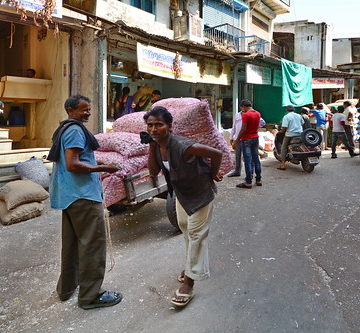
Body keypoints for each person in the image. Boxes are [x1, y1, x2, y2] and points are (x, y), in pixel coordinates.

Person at [48, 94, 123, 310]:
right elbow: (73, 164)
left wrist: (95, 162)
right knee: (92, 245)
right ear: (71, 110)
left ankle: (66, 289)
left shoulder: (66, 128)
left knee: (71, 245)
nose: (88, 112)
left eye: (89, 109)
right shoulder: (74, 130)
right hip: (82, 196)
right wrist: (102, 168)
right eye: (83, 109)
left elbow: (77, 159)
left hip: (69, 195)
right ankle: (90, 296)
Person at [144, 106, 223, 307]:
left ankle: (190, 282)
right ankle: (190, 266)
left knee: (197, 235)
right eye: (150, 125)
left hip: (200, 193)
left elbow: (216, 153)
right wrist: (151, 146)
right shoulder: (157, 146)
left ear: (169, 126)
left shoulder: (184, 146)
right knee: (186, 230)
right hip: (181, 194)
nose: (154, 129)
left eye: (159, 125)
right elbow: (153, 171)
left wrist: (212, 174)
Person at [232, 99, 262, 188]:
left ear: (244, 106)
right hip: (255, 138)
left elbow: (243, 129)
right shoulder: (258, 113)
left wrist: (236, 140)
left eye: (242, 108)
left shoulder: (245, 115)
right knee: (256, 159)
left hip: (247, 139)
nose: (242, 110)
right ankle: (258, 179)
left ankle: (248, 181)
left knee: (248, 160)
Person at [228, 110, 265, 178]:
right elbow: (234, 127)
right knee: (238, 155)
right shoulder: (238, 115)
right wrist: (231, 138)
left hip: (246, 138)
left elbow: (262, 123)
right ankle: (238, 171)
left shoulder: (252, 114)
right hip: (239, 138)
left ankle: (250, 175)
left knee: (249, 158)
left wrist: (253, 127)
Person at [278, 105, 304, 170]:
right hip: (300, 134)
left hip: (290, 135)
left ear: (286, 110)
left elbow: (284, 128)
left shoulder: (286, 116)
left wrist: (280, 132)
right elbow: (302, 123)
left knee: (283, 147)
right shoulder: (299, 115)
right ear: (294, 109)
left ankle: (283, 164)